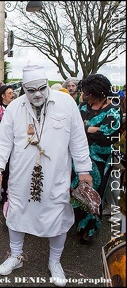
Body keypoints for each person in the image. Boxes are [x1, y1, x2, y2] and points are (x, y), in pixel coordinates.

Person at [0, 63, 93, 287]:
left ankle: (54, 262)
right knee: (17, 213)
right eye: (31, 90)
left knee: (57, 215)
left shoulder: (66, 103)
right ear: (23, 89)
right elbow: (3, 142)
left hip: (56, 174)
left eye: (42, 88)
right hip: (21, 175)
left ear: (48, 85)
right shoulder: (15, 108)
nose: (37, 94)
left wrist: (84, 170)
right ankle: (15, 256)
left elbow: (77, 139)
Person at [71, 74, 123, 244]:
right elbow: (75, 128)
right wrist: (91, 129)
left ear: (99, 92)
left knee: (95, 193)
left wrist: (86, 129)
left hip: (100, 159)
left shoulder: (113, 108)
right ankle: (79, 223)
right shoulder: (84, 106)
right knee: (78, 191)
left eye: (89, 93)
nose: (86, 96)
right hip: (79, 156)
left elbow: (108, 134)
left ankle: (91, 228)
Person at [0, 84, 14, 206]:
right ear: (3, 96)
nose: (12, 95)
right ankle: (2, 193)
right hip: (1, 142)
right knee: (3, 169)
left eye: (12, 93)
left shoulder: (16, 108)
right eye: (9, 93)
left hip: (14, 142)